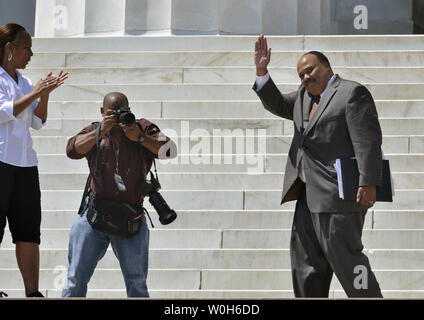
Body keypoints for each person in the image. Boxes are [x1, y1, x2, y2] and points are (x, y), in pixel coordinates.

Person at [253, 35, 383, 298]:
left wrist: (369, 182)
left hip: (339, 198)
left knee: (348, 262)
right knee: (305, 265)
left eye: (309, 70)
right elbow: (277, 103)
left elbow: (367, 141)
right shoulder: (303, 97)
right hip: (307, 197)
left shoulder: (351, 93)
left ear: (326, 66)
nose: (305, 78)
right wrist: (262, 72)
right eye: (301, 75)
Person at [62, 92, 176, 297]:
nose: (116, 118)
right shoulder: (95, 129)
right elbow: (72, 149)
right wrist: (100, 131)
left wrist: (140, 137)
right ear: (102, 112)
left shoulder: (142, 127)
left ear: (130, 111)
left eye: (121, 112)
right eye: (111, 114)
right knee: (74, 279)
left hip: (131, 216)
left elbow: (170, 150)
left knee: (137, 282)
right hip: (95, 215)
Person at [0, 23, 68, 298]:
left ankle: (32, 291)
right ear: (9, 48)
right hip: (1, 160)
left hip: (25, 163)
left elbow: (38, 121)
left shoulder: (24, 82)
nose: (31, 53)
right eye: (26, 47)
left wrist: (45, 95)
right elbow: (3, 112)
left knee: (28, 228)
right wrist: (36, 94)